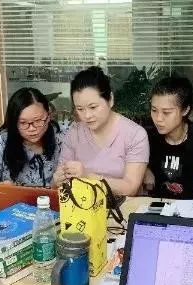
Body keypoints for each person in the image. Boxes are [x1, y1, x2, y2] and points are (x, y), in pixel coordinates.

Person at [53, 66, 148, 196]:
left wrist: (87, 176)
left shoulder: (135, 135)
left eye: (93, 107)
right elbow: (60, 185)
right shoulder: (74, 134)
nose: (87, 116)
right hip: (83, 204)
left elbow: (130, 188)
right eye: (80, 109)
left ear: (110, 99)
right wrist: (58, 180)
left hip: (124, 207)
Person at [0, 88, 62, 206]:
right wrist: (1, 190)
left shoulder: (60, 137)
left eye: (38, 121)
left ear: (48, 116)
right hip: (9, 212)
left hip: (51, 211)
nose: (32, 128)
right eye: (23, 123)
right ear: (13, 122)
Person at [144, 76, 193, 199]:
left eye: (166, 112)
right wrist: (146, 169)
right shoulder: (147, 138)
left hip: (192, 206)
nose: (158, 118)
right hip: (155, 205)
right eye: (154, 110)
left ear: (185, 110)